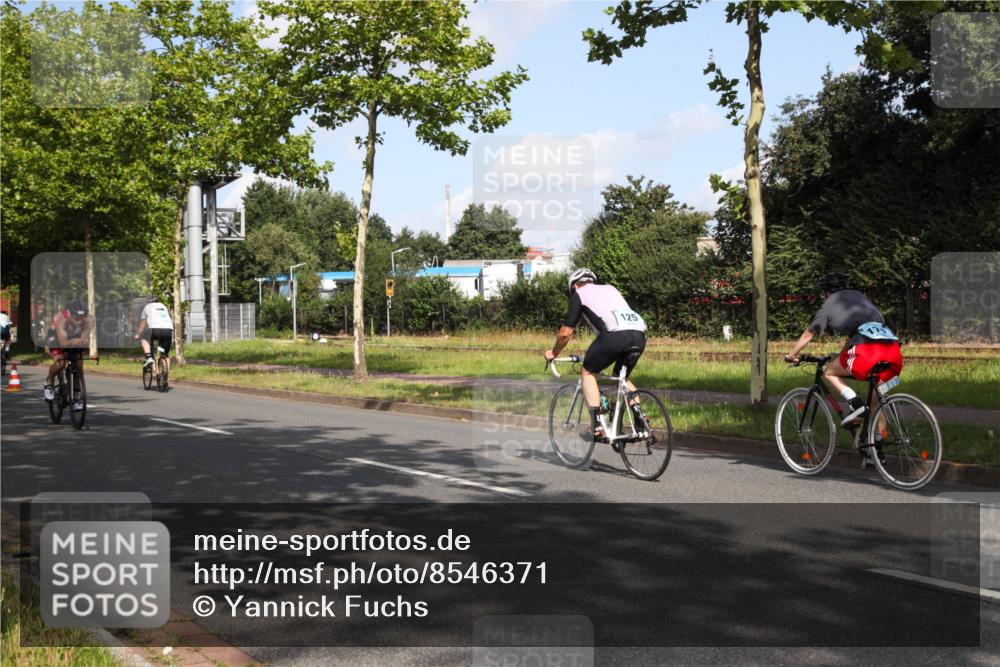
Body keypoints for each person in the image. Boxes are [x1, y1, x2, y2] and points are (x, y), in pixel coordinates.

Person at [785, 272, 903, 429]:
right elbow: (857, 333)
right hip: (894, 354)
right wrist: (841, 355)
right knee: (876, 404)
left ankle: (855, 403)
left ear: (826, 292)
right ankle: (876, 448)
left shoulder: (828, 305)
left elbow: (809, 334)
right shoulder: (861, 299)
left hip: (867, 352)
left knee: (829, 372)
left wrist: (792, 355)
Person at [544, 268, 648, 441]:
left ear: (575, 286)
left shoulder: (580, 294)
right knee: (621, 378)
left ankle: (597, 426)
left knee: (587, 373)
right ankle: (641, 419)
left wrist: (554, 352)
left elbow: (565, 333)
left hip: (616, 333)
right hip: (639, 333)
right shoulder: (611, 288)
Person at [44, 301, 94, 409]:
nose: (79, 320)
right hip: (56, 337)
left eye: (82, 317)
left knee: (79, 365)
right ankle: (49, 381)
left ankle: (76, 398)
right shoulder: (61, 319)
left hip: (73, 336)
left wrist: (82, 341)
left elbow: (84, 336)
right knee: (60, 362)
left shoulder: (89, 320)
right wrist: (75, 342)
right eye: (76, 317)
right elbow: (63, 343)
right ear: (70, 315)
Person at [134, 296, 174, 372]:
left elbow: (143, 324)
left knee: (144, 339)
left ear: (148, 302)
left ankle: (149, 357)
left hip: (154, 330)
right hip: (168, 330)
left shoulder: (147, 307)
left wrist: (138, 335)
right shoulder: (163, 306)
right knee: (165, 354)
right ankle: (166, 375)